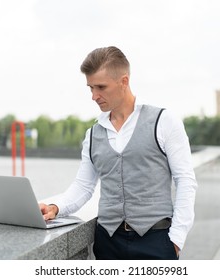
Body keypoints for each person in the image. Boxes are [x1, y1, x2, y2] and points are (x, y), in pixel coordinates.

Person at [39, 46, 198, 260]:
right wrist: (55, 207)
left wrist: (176, 240)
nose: (94, 96)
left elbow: (185, 180)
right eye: (90, 88)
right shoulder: (93, 134)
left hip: (157, 242)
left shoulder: (164, 121)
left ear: (124, 81)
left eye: (101, 87)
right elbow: (84, 186)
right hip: (108, 243)